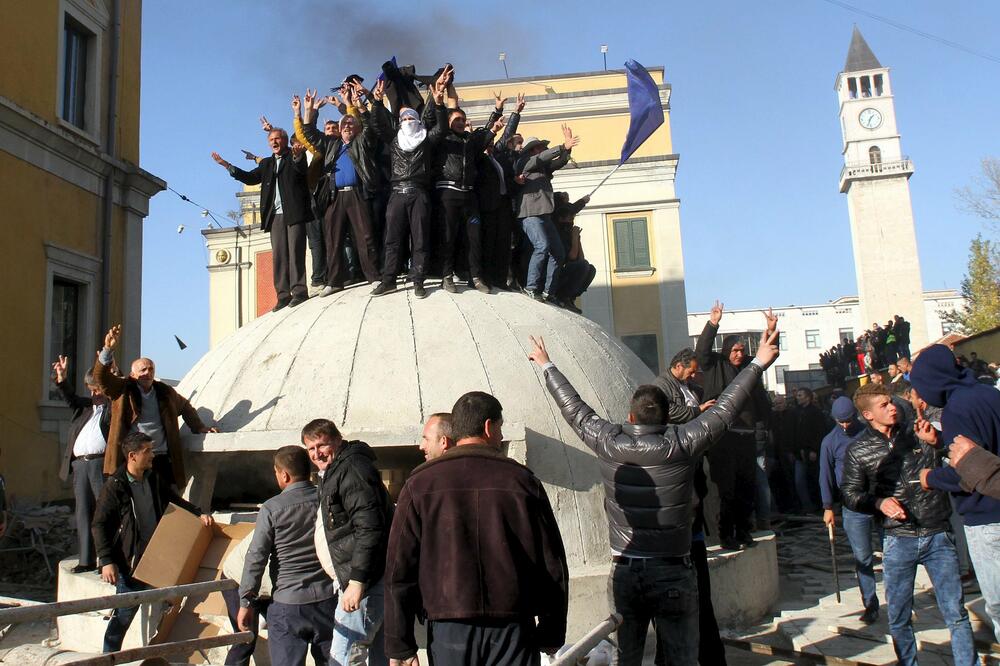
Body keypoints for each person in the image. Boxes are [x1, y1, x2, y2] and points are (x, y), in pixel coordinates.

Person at [533, 329, 780, 665]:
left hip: (626, 570)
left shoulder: (609, 442)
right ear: (667, 418)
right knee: (681, 657)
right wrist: (757, 364)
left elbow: (575, 410)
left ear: (630, 417)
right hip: (674, 569)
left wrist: (547, 365)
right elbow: (725, 410)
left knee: (627, 656)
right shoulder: (683, 443)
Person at [385, 390, 569, 666]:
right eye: (500, 427)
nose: (500, 435)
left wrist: (400, 644)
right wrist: (552, 630)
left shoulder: (420, 484)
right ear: (488, 427)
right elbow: (552, 563)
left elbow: (399, 569)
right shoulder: (521, 481)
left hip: (449, 627)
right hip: (513, 626)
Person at [840, 383, 977, 665]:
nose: (892, 408)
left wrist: (937, 442)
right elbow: (850, 494)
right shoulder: (858, 450)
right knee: (899, 616)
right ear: (868, 415)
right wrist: (879, 503)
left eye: (891, 402)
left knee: (955, 613)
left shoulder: (917, 432)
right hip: (898, 538)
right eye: (884, 405)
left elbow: (957, 459)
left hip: (937, 533)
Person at [910, 344, 1000, 641]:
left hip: (987, 518)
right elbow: (981, 450)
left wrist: (930, 477)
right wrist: (939, 441)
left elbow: (967, 474)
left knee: (998, 606)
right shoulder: (988, 394)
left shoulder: (957, 409)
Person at [92, 432, 213, 652]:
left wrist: (198, 513)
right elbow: (99, 524)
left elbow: (173, 500)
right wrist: (107, 560)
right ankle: (109, 657)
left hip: (158, 554)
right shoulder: (115, 485)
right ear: (132, 456)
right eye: (147, 451)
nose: (152, 455)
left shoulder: (153, 478)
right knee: (123, 616)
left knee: (169, 607)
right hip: (132, 562)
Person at [302, 419, 393, 666]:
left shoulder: (351, 470)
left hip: (366, 583)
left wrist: (357, 581)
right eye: (311, 449)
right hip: (363, 581)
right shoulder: (336, 470)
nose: (317, 454)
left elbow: (370, 527)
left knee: (343, 657)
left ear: (338, 440)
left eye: (322, 445)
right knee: (378, 656)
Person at [238, 446, 337, 666]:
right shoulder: (327, 499)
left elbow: (256, 557)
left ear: (284, 475)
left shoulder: (271, 508)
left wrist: (246, 602)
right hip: (328, 599)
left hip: (288, 604)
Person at [93, 325, 217, 491]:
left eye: (151, 369)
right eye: (143, 370)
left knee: (162, 500)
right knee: (135, 499)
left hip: (159, 458)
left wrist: (199, 427)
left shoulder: (164, 392)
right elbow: (101, 378)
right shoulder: (123, 389)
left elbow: (185, 406)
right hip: (133, 459)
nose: (148, 373)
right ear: (133, 375)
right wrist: (107, 350)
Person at [695, 302, 774, 549]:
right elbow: (702, 350)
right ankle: (726, 534)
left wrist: (771, 331)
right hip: (723, 437)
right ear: (726, 351)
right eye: (735, 350)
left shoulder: (750, 367)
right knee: (726, 490)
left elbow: (768, 354)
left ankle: (744, 531)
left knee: (746, 487)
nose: (739, 354)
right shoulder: (715, 365)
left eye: (742, 350)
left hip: (746, 436)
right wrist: (713, 324)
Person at [367, 70, 449, 299]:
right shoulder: (395, 140)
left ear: (418, 120)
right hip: (397, 194)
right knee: (392, 239)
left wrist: (439, 105)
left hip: (419, 193)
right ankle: (388, 280)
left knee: (420, 239)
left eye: (411, 118)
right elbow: (377, 125)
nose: (407, 121)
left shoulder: (426, 139)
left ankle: (418, 280)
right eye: (403, 119)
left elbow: (442, 128)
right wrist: (376, 102)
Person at [213, 127, 312, 310]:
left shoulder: (295, 157)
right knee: (279, 256)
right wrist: (227, 166)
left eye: (278, 138)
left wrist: (298, 156)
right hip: (275, 216)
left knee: (296, 252)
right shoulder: (266, 164)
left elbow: (301, 170)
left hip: (294, 212)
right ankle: (283, 295)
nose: (274, 142)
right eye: (271, 140)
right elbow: (250, 178)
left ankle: (299, 291)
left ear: (284, 141)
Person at [297, 89, 382, 295]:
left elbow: (370, 127)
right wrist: (307, 111)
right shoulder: (331, 144)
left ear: (356, 128)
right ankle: (335, 281)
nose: (347, 126)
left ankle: (374, 277)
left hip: (357, 194)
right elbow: (310, 133)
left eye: (351, 124)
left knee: (365, 236)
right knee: (333, 239)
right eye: (344, 124)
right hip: (335, 197)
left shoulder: (362, 142)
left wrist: (355, 105)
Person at [429, 73, 503, 294]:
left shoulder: (470, 142)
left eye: (463, 120)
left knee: (474, 238)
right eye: (456, 120)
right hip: (448, 194)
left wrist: (497, 112)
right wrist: (439, 104)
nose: (461, 123)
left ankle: (476, 277)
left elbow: (485, 135)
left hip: (469, 197)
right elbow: (439, 124)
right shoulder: (442, 139)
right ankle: (446, 276)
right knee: (448, 237)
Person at [819, 396, 880, 623]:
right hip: (852, 505)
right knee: (863, 557)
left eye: (848, 420)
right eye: (840, 421)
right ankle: (870, 604)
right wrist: (828, 507)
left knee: (893, 553)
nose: (845, 425)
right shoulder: (829, 441)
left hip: (879, 499)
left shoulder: (869, 433)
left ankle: (899, 602)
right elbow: (825, 475)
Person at [52, 355, 110, 573]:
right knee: (83, 512)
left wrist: (108, 365)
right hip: (80, 465)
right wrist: (62, 378)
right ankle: (86, 560)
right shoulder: (84, 408)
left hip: (100, 465)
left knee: (104, 512)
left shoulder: (113, 408)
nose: (94, 394)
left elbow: (120, 389)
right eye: (91, 389)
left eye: (97, 389)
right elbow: (70, 398)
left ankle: (106, 561)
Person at [515, 125, 580, 301]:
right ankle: (531, 287)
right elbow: (542, 157)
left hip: (544, 215)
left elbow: (560, 161)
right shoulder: (525, 162)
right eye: (541, 147)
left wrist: (568, 147)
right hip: (530, 214)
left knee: (558, 252)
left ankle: (548, 292)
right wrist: (562, 146)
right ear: (532, 150)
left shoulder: (543, 168)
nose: (544, 149)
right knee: (541, 246)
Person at [550, 194, 596, 312]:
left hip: (568, 269)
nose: (571, 222)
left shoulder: (569, 231)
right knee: (583, 266)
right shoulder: (558, 232)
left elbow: (581, 258)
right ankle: (563, 296)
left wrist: (578, 240)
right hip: (558, 273)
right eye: (570, 219)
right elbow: (572, 256)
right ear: (561, 219)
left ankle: (571, 297)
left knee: (590, 269)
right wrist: (574, 238)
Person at [652, 348, 716, 425]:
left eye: (695, 372)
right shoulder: (661, 385)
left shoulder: (690, 382)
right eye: (691, 372)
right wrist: (698, 410)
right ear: (678, 366)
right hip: (678, 430)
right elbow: (669, 411)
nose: (693, 375)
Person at [790, 387, 826, 514]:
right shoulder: (796, 413)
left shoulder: (816, 413)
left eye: (800, 395)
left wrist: (814, 449)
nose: (797, 397)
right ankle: (807, 505)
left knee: (814, 479)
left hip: (812, 452)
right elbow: (794, 433)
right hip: (800, 453)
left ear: (808, 397)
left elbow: (820, 432)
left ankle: (820, 505)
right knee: (799, 481)